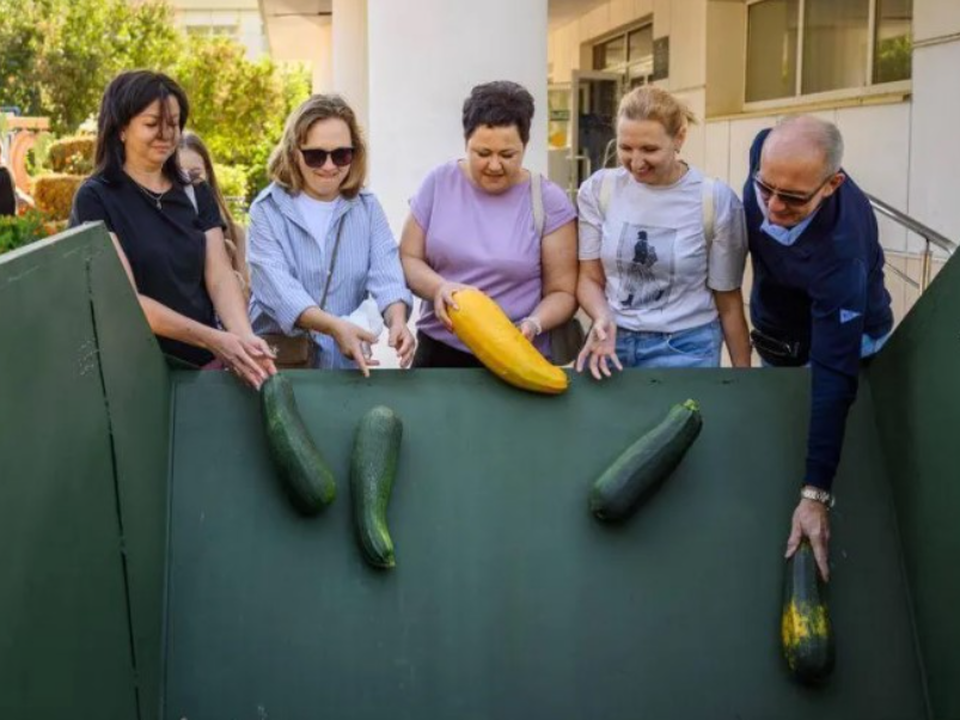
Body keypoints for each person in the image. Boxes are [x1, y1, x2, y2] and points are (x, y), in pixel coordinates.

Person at [743, 115, 893, 581]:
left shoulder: (844, 253)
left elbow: (833, 375)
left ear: (832, 185)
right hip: (780, 325)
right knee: (781, 432)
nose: (772, 205)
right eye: (765, 188)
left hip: (847, 334)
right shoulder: (765, 151)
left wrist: (816, 494)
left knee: (839, 422)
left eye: (792, 198)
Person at [70, 70, 275, 389]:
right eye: (152, 124)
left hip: (201, 372)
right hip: (132, 378)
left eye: (174, 124)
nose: (166, 134)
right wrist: (214, 339)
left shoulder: (195, 192)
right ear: (121, 128)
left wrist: (244, 340)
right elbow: (125, 300)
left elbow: (220, 277)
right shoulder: (96, 197)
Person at [399, 80, 578, 367]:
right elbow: (409, 257)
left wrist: (534, 323)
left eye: (508, 155)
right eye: (482, 153)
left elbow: (563, 292)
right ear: (465, 142)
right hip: (440, 349)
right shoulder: (438, 183)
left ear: (525, 145)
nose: (495, 165)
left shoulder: (548, 201)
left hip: (518, 350)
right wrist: (439, 289)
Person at [576, 86, 751, 379]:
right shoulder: (598, 190)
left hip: (686, 350)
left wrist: (742, 379)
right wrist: (602, 318)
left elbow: (729, 301)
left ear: (679, 137)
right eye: (625, 148)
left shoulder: (715, 200)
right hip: (612, 342)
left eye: (649, 149)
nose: (636, 162)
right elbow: (589, 279)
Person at [246, 94, 414, 375]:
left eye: (341, 154)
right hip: (281, 370)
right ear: (293, 152)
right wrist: (335, 327)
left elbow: (388, 274)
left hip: (346, 371)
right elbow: (279, 291)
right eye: (315, 155)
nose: (329, 165)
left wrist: (397, 321)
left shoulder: (367, 207)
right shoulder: (267, 210)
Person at [178, 131, 249, 296]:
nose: (187, 182)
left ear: (208, 173)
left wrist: (234, 282)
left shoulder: (234, 233)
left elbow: (246, 302)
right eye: (178, 174)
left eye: (195, 173)